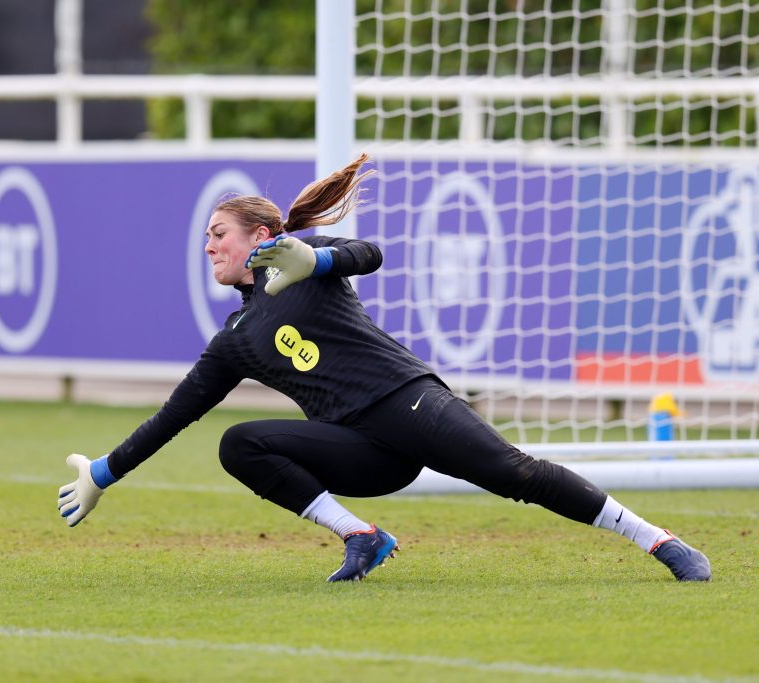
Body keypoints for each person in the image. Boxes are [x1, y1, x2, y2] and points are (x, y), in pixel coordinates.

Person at [57, 153, 711, 583]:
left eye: (218, 234)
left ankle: (658, 541)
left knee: (513, 473)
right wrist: (103, 473)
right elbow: (175, 415)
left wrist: (313, 259)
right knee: (239, 443)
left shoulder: (304, 261)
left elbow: (369, 252)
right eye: (205, 238)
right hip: (366, 453)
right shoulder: (233, 338)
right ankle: (361, 536)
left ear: (259, 237)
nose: (208, 247)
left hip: (408, 401)